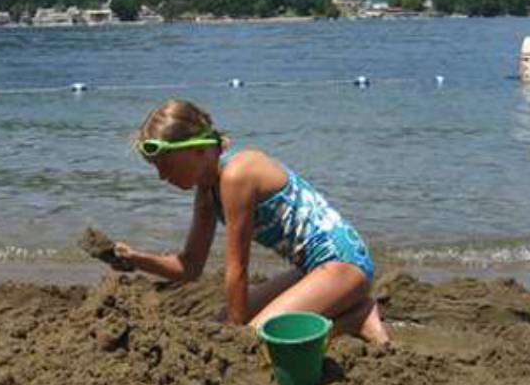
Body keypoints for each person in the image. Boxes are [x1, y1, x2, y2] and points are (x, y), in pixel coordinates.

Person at [113, 99, 389, 344]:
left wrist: (237, 336)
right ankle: (353, 311)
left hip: (342, 262)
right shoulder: (207, 191)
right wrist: (136, 258)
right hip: (311, 268)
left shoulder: (237, 175)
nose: (162, 176)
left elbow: (238, 269)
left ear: (197, 149)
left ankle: (353, 318)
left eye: (166, 164)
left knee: (255, 340)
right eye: (156, 167)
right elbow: (190, 266)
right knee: (219, 326)